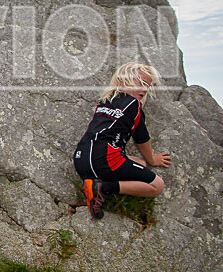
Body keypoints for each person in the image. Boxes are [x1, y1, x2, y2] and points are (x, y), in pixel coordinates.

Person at [73, 63, 172, 219]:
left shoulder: (106, 100)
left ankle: (94, 184)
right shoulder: (133, 105)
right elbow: (142, 139)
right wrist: (153, 159)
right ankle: (103, 188)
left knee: (139, 163)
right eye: (141, 83)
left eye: (148, 86)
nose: (145, 89)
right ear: (124, 80)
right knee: (157, 186)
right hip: (104, 159)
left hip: (82, 158)